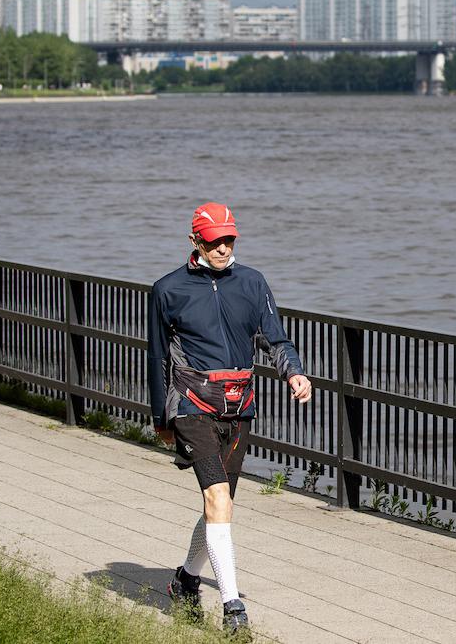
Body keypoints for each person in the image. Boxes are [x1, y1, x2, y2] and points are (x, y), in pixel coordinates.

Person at [147, 202, 312, 634]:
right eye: (216, 239)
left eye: (230, 239)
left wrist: (293, 372)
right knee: (218, 499)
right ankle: (232, 606)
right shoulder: (167, 289)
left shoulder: (253, 283)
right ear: (195, 240)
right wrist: (160, 418)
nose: (223, 247)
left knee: (220, 506)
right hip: (191, 406)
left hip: (238, 409)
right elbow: (158, 357)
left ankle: (184, 580)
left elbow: (276, 339)